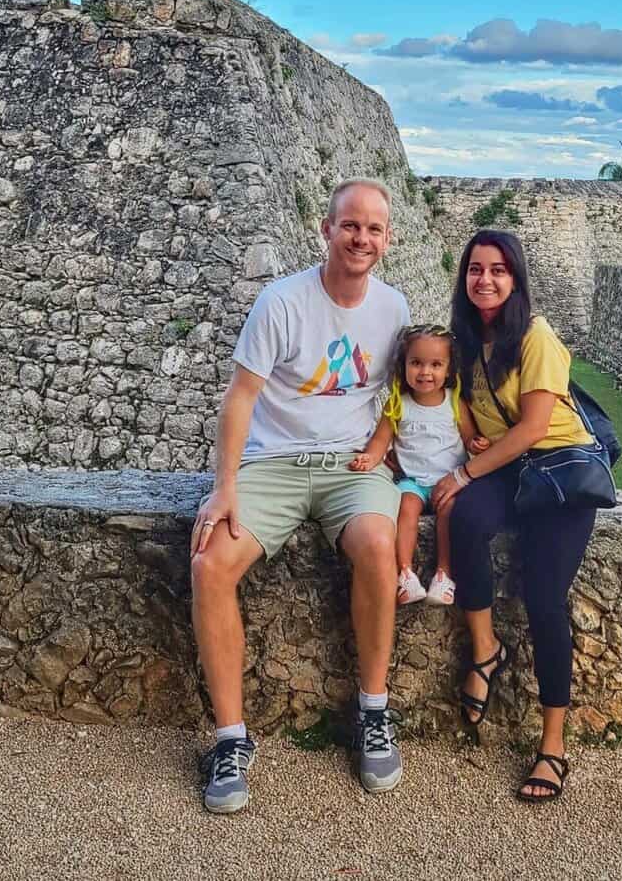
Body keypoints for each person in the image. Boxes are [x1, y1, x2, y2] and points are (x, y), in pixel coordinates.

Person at [189, 178, 410, 813]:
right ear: (326, 229)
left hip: (352, 465)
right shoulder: (281, 302)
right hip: (275, 463)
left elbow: (401, 396)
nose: (361, 238)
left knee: (376, 546)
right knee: (210, 563)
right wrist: (224, 487)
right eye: (350, 226)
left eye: (373, 229)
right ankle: (230, 739)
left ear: (387, 239)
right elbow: (241, 398)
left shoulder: (392, 309)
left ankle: (372, 710)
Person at [430, 229, 599, 805]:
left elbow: (532, 428)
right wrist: (470, 440)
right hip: (504, 465)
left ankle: (553, 744)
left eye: (498, 270)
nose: (485, 279)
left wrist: (463, 472)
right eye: (476, 269)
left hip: (555, 468)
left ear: (516, 278)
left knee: (544, 596)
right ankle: (484, 649)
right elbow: (463, 405)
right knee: (465, 521)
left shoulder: (535, 336)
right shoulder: (465, 338)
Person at [349, 324, 489, 606]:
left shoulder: (454, 403)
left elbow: (469, 436)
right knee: (405, 509)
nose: (425, 372)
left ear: (449, 370)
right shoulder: (398, 403)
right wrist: (370, 457)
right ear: (404, 366)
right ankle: (405, 574)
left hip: (447, 482)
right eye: (416, 363)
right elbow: (381, 440)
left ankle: (443, 574)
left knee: (449, 512)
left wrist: (476, 443)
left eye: (436, 364)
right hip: (412, 481)